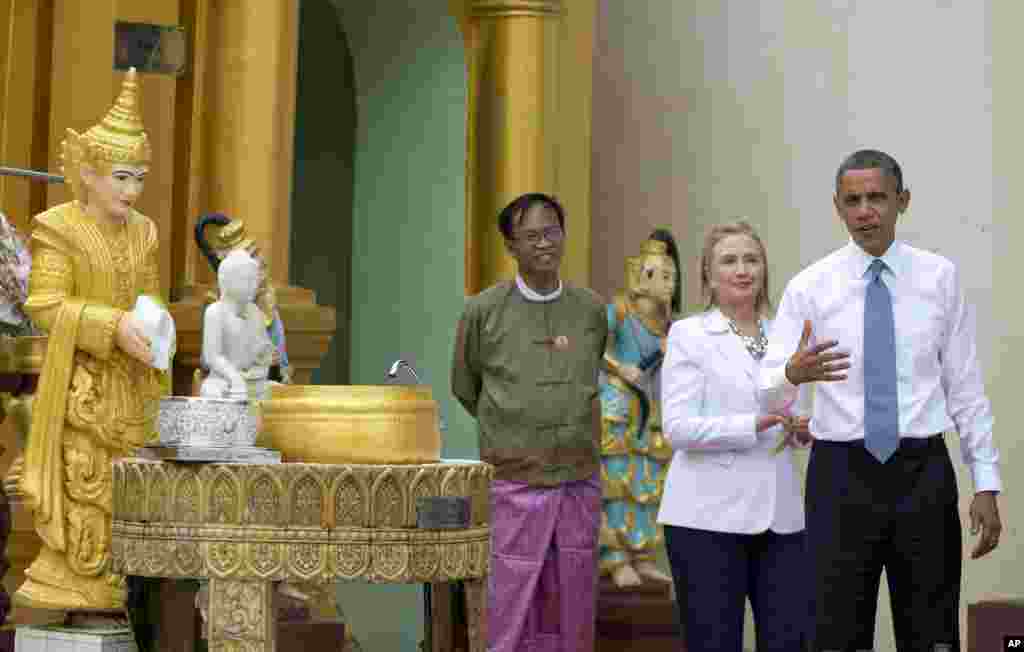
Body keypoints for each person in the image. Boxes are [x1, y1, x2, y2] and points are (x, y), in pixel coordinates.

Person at [759, 149, 1003, 651]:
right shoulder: (809, 287)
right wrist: (792, 372)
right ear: (838, 208)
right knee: (836, 632)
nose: (865, 211)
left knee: (931, 629)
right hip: (840, 478)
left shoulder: (939, 278)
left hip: (922, 473)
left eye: (876, 198)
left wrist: (986, 481)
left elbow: (965, 386)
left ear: (902, 201)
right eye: (852, 201)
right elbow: (765, 386)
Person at [16, 68, 167, 615]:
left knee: (131, 492)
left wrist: (154, 331)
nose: (131, 191)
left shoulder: (145, 231)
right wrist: (110, 326)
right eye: (121, 178)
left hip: (133, 385)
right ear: (89, 174)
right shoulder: (58, 227)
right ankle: (75, 581)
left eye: (139, 180)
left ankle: (123, 589)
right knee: (86, 485)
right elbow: (45, 305)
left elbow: (151, 300)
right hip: (80, 387)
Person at [452, 192, 608, 652]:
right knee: (510, 604)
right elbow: (466, 386)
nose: (545, 243)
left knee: (573, 603)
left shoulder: (591, 309)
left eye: (552, 232)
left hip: (578, 481)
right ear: (511, 246)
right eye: (531, 235)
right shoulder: (482, 311)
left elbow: (591, 371)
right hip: (514, 485)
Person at [658, 220, 811, 652]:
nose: (742, 269)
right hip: (706, 520)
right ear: (708, 274)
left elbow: (795, 414)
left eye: (751, 259)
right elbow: (678, 427)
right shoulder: (689, 335)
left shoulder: (786, 334)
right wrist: (749, 425)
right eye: (729, 261)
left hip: (780, 517)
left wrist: (803, 429)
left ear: (764, 269)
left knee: (788, 641)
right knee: (714, 642)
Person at [598, 229, 680, 588]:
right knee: (615, 480)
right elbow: (590, 350)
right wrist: (619, 368)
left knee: (647, 481)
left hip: (652, 410)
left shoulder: (672, 326)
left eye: (670, 276)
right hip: (616, 406)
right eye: (656, 275)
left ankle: (643, 554)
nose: (664, 283)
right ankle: (614, 557)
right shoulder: (617, 310)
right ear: (638, 275)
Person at [199, 249, 274, 401]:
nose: (253, 285)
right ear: (228, 280)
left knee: (274, 391)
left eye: (255, 280)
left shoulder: (255, 313)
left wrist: (263, 356)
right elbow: (212, 357)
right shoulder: (215, 312)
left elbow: (263, 351)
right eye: (247, 280)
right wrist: (234, 378)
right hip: (223, 380)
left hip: (251, 380)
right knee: (212, 392)